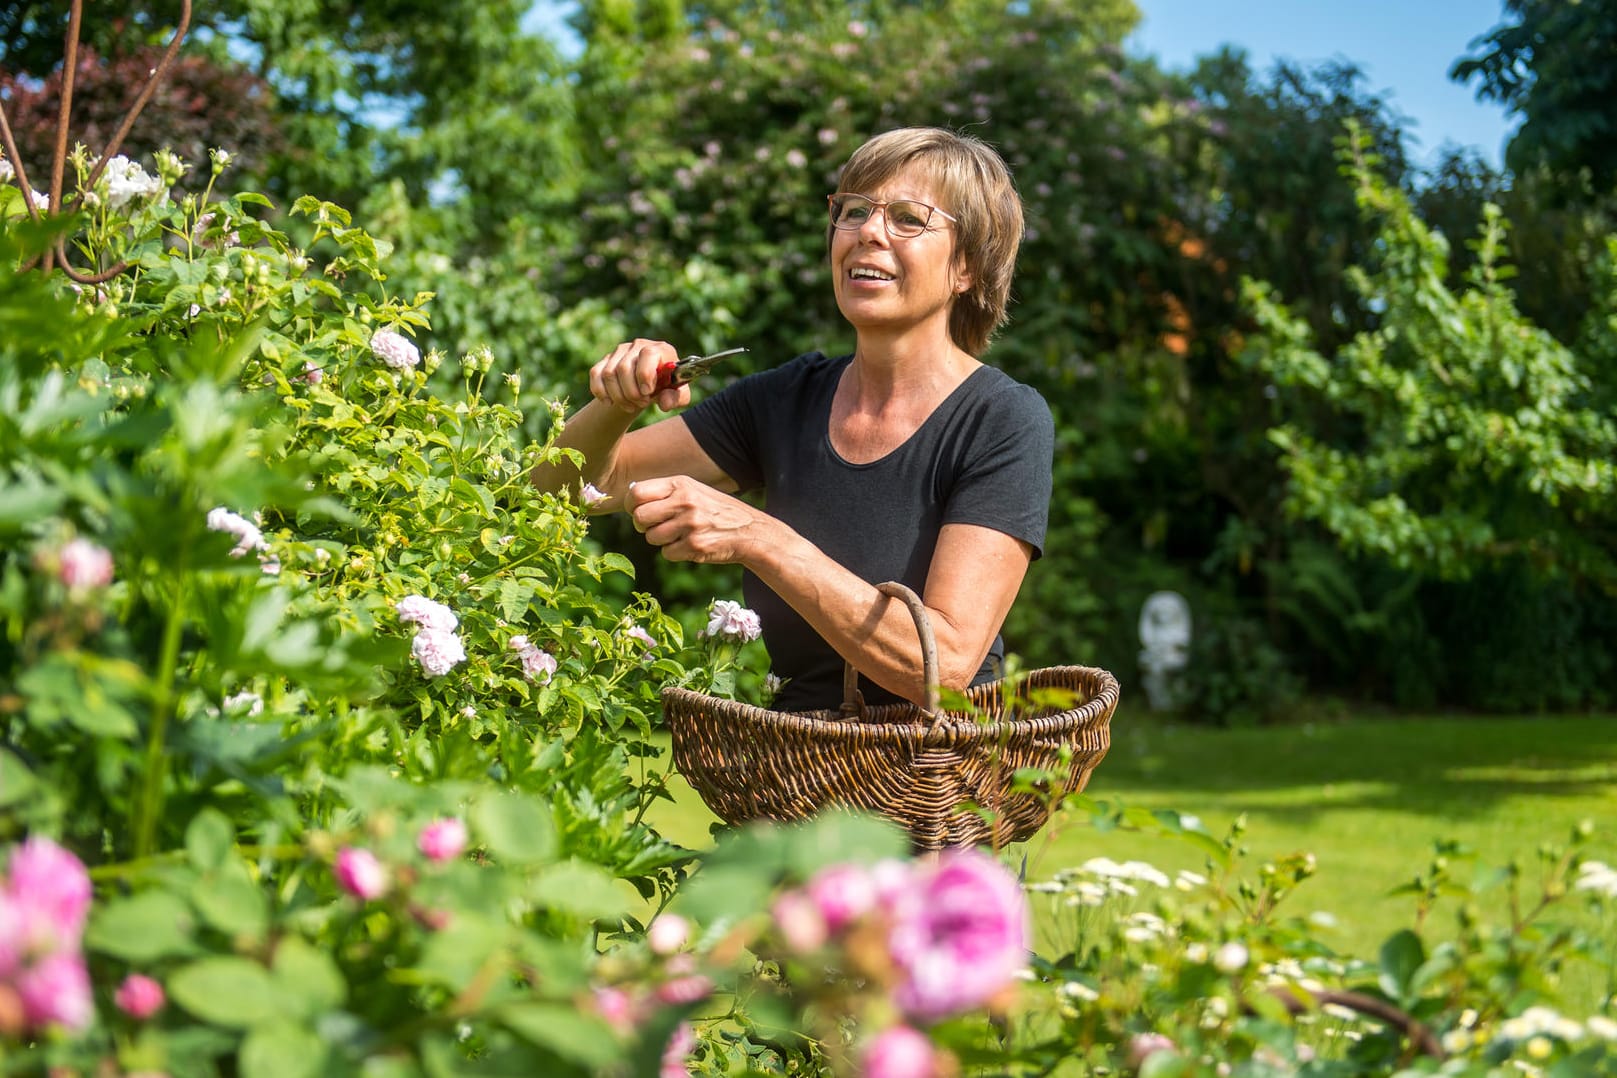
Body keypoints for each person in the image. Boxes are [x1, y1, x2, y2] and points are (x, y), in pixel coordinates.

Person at [531, 127, 1053, 713]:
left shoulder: (1003, 419)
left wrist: (759, 537)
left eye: (909, 218)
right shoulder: (785, 399)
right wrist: (616, 406)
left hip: (932, 780)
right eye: (854, 211)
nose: (868, 232)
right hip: (791, 772)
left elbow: (946, 671)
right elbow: (568, 491)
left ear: (967, 268)